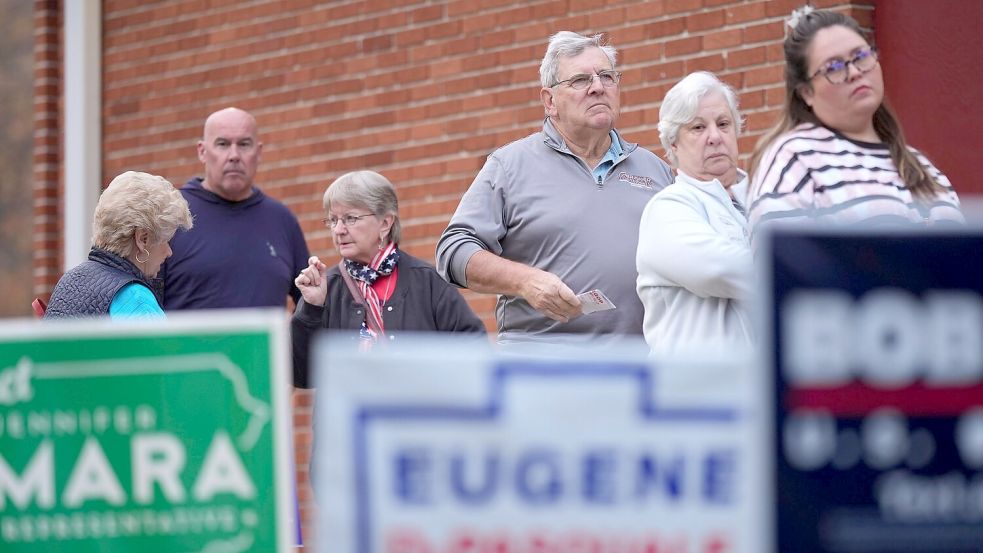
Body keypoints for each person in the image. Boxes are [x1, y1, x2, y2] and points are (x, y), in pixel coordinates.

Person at [436, 31, 674, 343]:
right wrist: (525, 281)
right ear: (550, 101)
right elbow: (452, 252)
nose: (598, 88)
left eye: (606, 76)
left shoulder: (656, 170)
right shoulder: (510, 165)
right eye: (580, 80)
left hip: (637, 367)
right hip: (541, 370)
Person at [747, 7, 963, 235]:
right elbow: (778, 264)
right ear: (806, 92)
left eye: (860, 56)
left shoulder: (923, 168)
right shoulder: (794, 158)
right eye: (834, 67)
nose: (854, 72)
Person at [291, 170, 485, 388]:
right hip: (348, 420)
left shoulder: (425, 281)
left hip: (415, 418)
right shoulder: (327, 287)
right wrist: (311, 308)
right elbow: (301, 375)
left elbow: (473, 347)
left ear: (385, 223)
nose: (338, 230)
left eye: (350, 218)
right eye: (333, 220)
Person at [636, 72, 754, 352]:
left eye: (723, 124)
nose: (715, 136)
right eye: (698, 128)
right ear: (673, 143)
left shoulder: (765, 197)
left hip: (765, 389)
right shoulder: (667, 208)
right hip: (694, 391)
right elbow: (722, 270)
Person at [160, 107, 310, 310]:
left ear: (259, 152)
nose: (234, 155)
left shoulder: (282, 220)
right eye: (222, 144)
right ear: (202, 151)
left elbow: (310, 305)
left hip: (265, 343)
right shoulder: (169, 215)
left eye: (244, 144)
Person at [44, 171, 192, 319]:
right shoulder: (137, 300)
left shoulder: (70, 280)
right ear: (143, 239)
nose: (169, 252)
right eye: (166, 240)